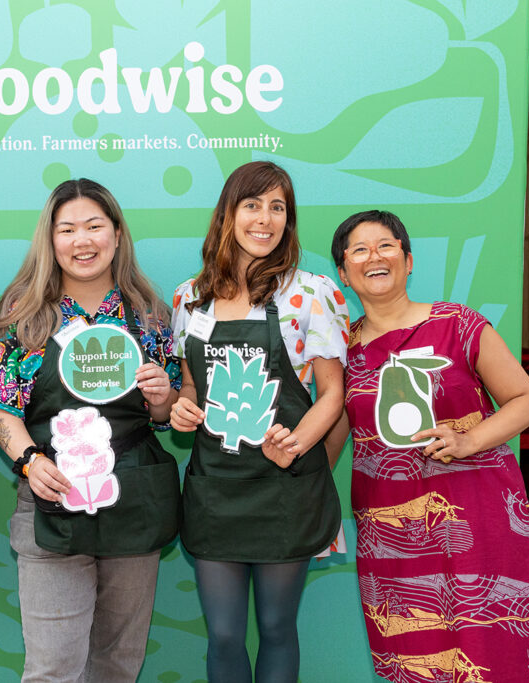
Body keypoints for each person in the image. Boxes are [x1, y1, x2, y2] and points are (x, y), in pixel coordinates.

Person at [330, 209, 529, 683]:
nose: (375, 256)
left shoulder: (458, 325)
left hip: (477, 519)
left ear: (408, 260)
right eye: (359, 249)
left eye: (386, 245)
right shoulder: (341, 351)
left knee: (491, 653)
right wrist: (303, 493)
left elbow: (528, 401)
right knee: (415, 657)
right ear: (343, 273)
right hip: (392, 533)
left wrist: (468, 439)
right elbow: (335, 432)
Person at [0, 178, 181, 682]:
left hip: (134, 497)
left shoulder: (149, 314)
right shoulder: (21, 315)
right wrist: (29, 460)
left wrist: (163, 396)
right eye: (67, 229)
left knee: (118, 665)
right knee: (52, 669)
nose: (81, 241)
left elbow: (167, 413)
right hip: (52, 501)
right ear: (50, 238)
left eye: (94, 226)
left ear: (116, 233)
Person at [170, 161, 348, 683]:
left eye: (277, 207)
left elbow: (332, 394)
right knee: (223, 634)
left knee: (276, 627)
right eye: (252, 205)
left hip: (286, 487)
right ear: (228, 214)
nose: (264, 219)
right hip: (216, 489)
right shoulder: (190, 297)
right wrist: (182, 409)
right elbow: (189, 386)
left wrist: (295, 444)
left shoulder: (311, 292)